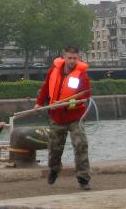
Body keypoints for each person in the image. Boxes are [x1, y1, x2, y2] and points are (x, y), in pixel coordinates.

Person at [35, 46, 92, 190]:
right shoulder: (53, 71)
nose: (72, 61)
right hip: (56, 116)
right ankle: (54, 169)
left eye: (75, 58)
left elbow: (85, 95)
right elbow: (46, 87)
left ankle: (83, 177)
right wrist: (39, 103)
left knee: (80, 144)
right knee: (54, 148)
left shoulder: (82, 75)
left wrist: (69, 103)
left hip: (75, 117)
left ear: (78, 58)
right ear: (64, 57)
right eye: (69, 58)